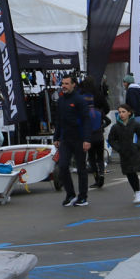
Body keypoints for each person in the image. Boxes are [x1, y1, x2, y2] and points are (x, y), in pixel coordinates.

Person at [53, 74, 90, 207]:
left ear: (74, 84)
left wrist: (87, 139)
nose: (64, 86)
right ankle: (70, 194)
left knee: (81, 169)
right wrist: (56, 137)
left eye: (67, 83)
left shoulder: (80, 100)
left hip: (79, 139)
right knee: (62, 166)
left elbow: (86, 120)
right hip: (66, 139)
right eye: (62, 83)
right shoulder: (61, 100)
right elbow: (58, 120)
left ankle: (83, 197)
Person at [107, 104, 140, 204]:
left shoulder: (135, 124)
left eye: (123, 112)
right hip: (124, 153)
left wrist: (138, 145)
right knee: (129, 173)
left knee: (133, 172)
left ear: (129, 112)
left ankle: (138, 192)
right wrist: (118, 148)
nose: (121, 114)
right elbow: (111, 139)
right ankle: (136, 191)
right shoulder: (116, 127)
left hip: (134, 152)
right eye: (119, 112)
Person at [80, 76, 106, 188]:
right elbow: (107, 107)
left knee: (91, 157)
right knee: (100, 157)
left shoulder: (80, 96)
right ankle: (101, 174)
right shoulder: (99, 94)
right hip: (99, 129)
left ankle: (97, 178)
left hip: (88, 133)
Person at [123, 74, 140, 162]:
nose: (123, 84)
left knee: (134, 136)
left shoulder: (130, 91)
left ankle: (135, 156)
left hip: (137, 116)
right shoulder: (139, 90)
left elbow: (132, 104)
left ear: (128, 83)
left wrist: (129, 113)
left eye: (124, 82)